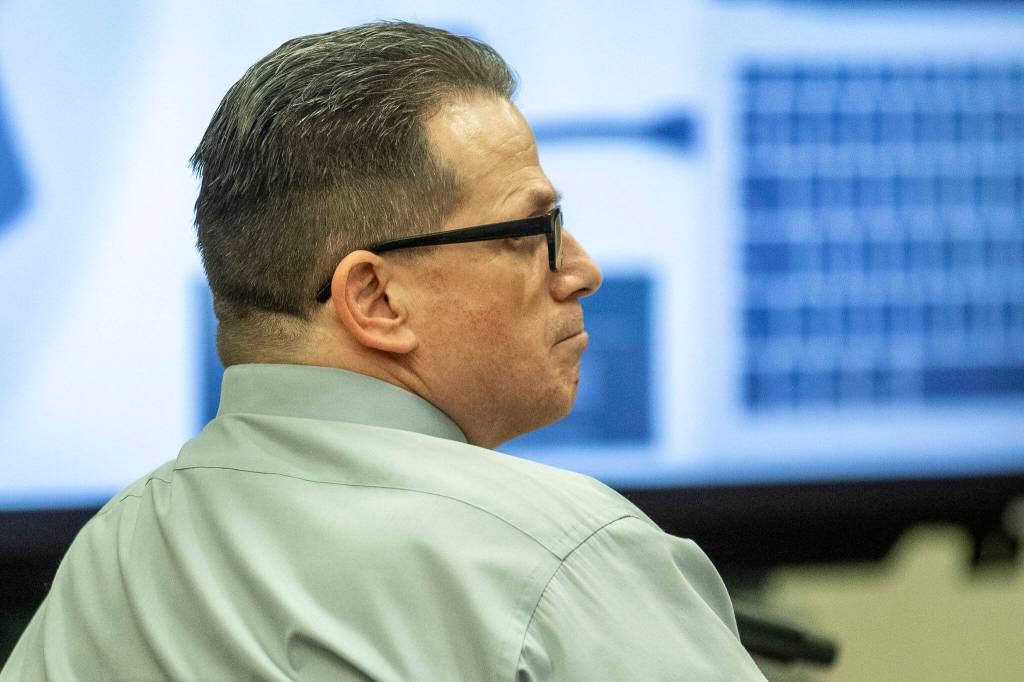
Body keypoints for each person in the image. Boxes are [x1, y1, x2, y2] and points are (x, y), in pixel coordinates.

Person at [2, 22, 766, 680]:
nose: (581, 270)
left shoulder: (110, 560)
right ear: (375, 300)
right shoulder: (562, 561)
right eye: (532, 232)